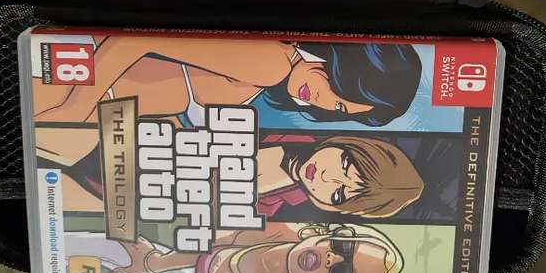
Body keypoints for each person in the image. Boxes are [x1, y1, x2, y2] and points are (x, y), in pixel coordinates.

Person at [33, 35, 422, 212]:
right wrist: (74, 109)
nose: (323, 101)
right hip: (77, 91)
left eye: (338, 108)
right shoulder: (273, 63)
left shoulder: (273, 80)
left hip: (97, 109)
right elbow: (133, 43)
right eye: (346, 165)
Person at [83, 221, 404, 273]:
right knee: (109, 243)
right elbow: (213, 241)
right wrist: (158, 262)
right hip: (187, 262)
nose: (333, 258)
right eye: (343, 245)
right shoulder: (281, 229)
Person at [256, 133, 423, 218]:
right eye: (345, 164)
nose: (325, 177)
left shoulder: (271, 208)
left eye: (338, 194)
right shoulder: (290, 131)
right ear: (348, 145)